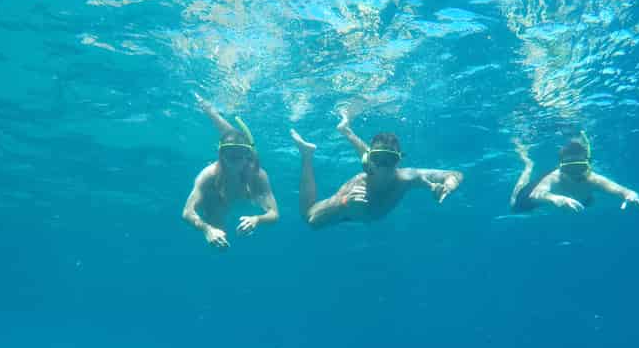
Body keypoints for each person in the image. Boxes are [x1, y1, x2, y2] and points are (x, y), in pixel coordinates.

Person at [289, 110, 464, 229]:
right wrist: (344, 203)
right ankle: (307, 154)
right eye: (379, 160)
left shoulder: (407, 177)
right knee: (308, 218)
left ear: (397, 162)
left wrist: (449, 185)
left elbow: (455, 174)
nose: (383, 167)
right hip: (349, 205)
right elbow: (314, 220)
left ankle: (346, 130)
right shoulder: (358, 186)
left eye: (389, 160)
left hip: (366, 205)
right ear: (371, 161)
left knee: (369, 158)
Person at [182, 95, 279, 249]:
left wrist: (257, 219)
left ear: (248, 156)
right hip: (218, 197)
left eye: (241, 155)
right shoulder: (209, 175)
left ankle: (210, 111)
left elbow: (274, 213)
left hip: (240, 187)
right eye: (231, 156)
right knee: (216, 230)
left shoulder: (257, 173)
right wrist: (207, 229)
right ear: (221, 156)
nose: (236, 162)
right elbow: (188, 212)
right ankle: (209, 110)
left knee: (233, 135)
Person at [510, 132, 639, 213]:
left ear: (588, 166)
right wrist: (555, 199)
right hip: (530, 201)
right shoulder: (554, 178)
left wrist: (631, 195)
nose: (575, 174)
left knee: (589, 203)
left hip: (578, 200)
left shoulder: (594, 179)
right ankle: (528, 165)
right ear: (561, 168)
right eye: (570, 168)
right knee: (514, 205)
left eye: (579, 167)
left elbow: (623, 190)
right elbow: (535, 195)